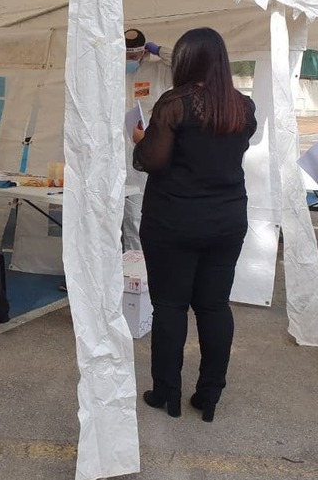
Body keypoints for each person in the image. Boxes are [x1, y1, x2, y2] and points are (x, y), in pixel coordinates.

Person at [131, 27, 257, 421]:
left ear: (184, 61)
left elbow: (151, 161)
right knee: (214, 306)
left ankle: (167, 391)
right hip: (227, 219)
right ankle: (209, 395)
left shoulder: (173, 103)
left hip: (173, 219)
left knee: (170, 307)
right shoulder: (243, 107)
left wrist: (140, 137)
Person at [123, 28, 172, 251]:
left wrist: (159, 50)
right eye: (127, 55)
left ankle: (136, 265)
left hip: (145, 148)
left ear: (143, 52)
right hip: (115, 150)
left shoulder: (159, 70)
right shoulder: (114, 71)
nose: (130, 60)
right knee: (109, 212)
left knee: (136, 211)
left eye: (134, 55)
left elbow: (184, 62)